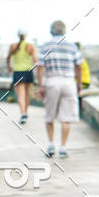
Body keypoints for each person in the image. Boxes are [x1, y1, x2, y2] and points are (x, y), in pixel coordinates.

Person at [36, 20, 82, 158]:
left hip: (52, 81)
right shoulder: (72, 46)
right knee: (66, 118)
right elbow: (78, 65)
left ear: (51, 31)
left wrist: (41, 85)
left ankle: (51, 145)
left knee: (49, 115)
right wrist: (79, 83)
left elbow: (40, 66)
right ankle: (63, 147)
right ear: (64, 31)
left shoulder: (45, 46)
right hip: (68, 81)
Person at [6, 29, 37, 124]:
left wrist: (9, 67)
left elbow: (8, 58)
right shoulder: (30, 46)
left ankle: (23, 113)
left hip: (18, 72)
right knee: (27, 94)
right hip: (28, 71)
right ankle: (25, 113)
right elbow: (35, 60)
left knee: (20, 95)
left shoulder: (13, 46)